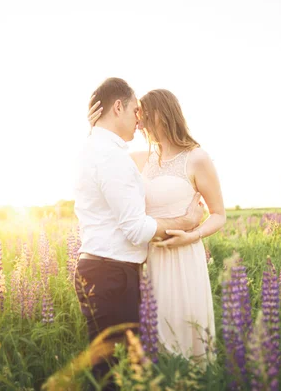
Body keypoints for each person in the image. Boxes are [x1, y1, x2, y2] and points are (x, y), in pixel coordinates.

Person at [73, 78, 204, 389]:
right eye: (134, 110)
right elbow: (136, 229)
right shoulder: (111, 156)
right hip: (111, 275)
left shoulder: (96, 147)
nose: (139, 119)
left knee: (109, 369)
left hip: (101, 271)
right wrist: (187, 221)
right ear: (118, 107)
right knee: (111, 376)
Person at [88, 88, 225, 366]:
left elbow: (219, 214)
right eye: (136, 113)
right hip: (149, 260)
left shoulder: (197, 158)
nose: (138, 121)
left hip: (185, 258)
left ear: (162, 113)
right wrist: (93, 129)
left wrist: (191, 235)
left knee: (187, 332)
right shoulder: (139, 159)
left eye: (142, 113)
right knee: (155, 337)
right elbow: (101, 160)